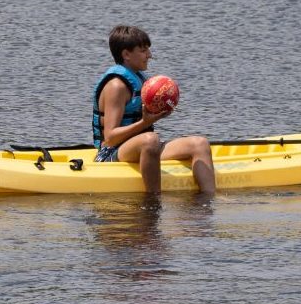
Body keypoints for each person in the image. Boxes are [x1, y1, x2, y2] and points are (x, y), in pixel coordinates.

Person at [92, 25, 216, 194]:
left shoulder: (139, 79)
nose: (149, 55)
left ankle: (208, 201)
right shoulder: (116, 86)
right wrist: (145, 123)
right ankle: (153, 202)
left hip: (142, 148)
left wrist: (158, 112)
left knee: (200, 144)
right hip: (110, 154)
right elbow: (110, 138)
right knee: (150, 139)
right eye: (143, 51)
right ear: (126, 54)